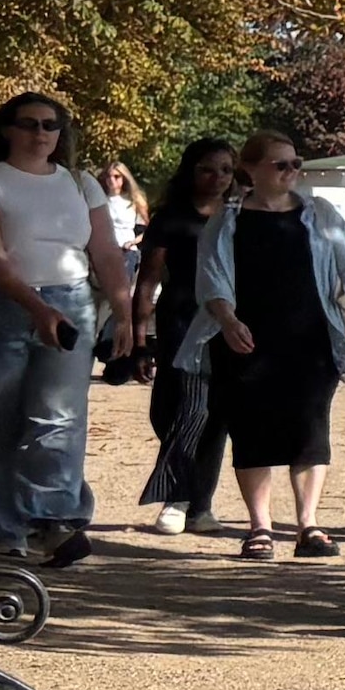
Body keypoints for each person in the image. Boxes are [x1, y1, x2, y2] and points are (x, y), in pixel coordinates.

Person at [0, 94, 122, 565]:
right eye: (29, 124)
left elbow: (105, 253)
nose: (40, 134)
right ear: (8, 129)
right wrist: (38, 310)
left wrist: (126, 310)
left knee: (59, 416)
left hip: (72, 299)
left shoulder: (82, 184)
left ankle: (53, 520)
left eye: (50, 125)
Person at [196, 134, 345, 558]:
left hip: (312, 339)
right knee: (251, 431)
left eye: (296, 163)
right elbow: (211, 277)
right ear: (252, 169)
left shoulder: (319, 213)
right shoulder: (229, 219)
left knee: (311, 429)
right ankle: (260, 527)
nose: (291, 172)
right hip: (245, 339)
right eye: (280, 165)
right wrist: (227, 319)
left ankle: (308, 526)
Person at [130, 138, 243, 534]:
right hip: (180, 319)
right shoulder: (171, 218)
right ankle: (184, 494)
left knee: (214, 415)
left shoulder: (239, 217)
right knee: (171, 411)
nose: (217, 178)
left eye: (226, 170)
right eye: (207, 169)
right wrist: (139, 341)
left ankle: (193, 503)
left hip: (228, 321)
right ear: (190, 171)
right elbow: (146, 282)